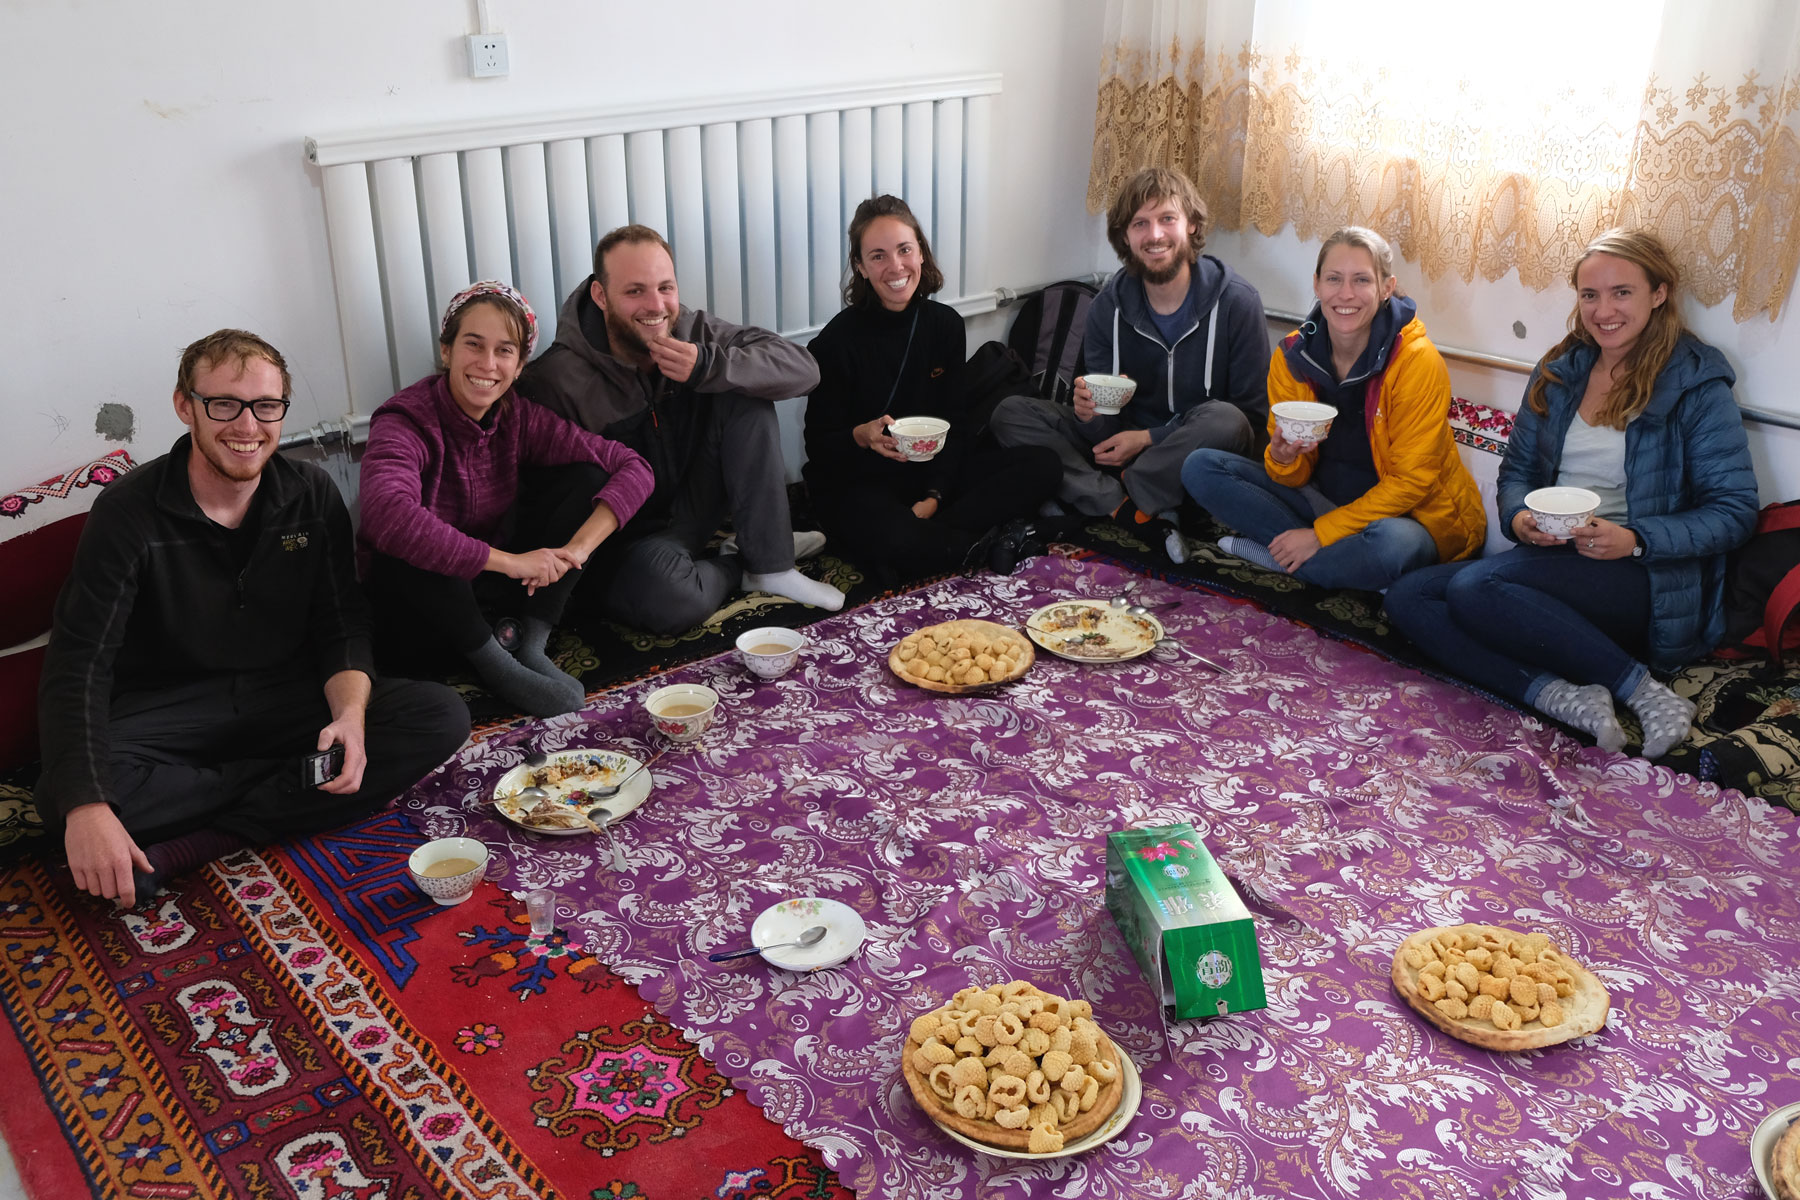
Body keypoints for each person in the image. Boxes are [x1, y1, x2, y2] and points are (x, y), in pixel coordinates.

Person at [36, 330, 471, 910]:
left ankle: (194, 844)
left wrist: (348, 716)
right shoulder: (126, 514)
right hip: (173, 713)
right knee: (63, 795)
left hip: (282, 700)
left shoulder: (311, 494)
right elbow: (79, 667)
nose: (247, 426)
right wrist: (88, 808)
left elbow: (342, 625)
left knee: (438, 716)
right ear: (184, 405)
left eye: (266, 407)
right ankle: (289, 789)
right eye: (224, 405)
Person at [1385, 229, 1758, 758]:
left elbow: (1735, 512)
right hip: (1555, 557)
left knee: (1474, 589)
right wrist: (1517, 518)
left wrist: (1634, 539)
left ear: (1659, 293)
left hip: (1643, 575)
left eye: (1621, 292)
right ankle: (1561, 695)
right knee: (1409, 597)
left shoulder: (1697, 383)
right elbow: (1516, 472)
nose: (1603, 310)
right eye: (1590, 295)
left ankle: (1646, 693)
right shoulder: (1562, 369)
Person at [521, 225, 844, 633]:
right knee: (672, 599)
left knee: (745, 390)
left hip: (692, 510)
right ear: (600, 296)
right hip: (626, 542)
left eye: (665, 288)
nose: (656, 306)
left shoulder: (690, 329)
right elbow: (543, 509)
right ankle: (744, 560)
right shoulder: (556, 380)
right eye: (634, 291)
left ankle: (771, 564)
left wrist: (709, 366)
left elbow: (804, 369)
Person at [358, 282, 654, 717]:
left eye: (504, 351)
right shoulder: (405, 419)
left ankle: (529, 644)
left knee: (586, 477)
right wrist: (514, 563)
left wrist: (575, 552)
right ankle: (494, 664)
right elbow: (386, 515)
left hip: (491, 593)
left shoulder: (519, 417)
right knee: (413, 540)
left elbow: (634, 468)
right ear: (446, 351)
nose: (487, 364)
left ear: (518, 367)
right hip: (417, 613)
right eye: (473, 345)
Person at [987, 165, 1269, 561]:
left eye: (1167, 219)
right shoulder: (1107, 307)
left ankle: (1100, 496)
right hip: (1122, 447)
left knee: (1227, 419)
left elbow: (1251, 423)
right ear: (1125, 236)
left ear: (1191, 225)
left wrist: (1152, 439)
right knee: (1011, 412)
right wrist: (1090, 415)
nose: (1154, 235)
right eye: (1140, 224)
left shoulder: (1238, 302)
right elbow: (1106, 425)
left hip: (1190, 451)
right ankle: (1128, 508)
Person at [1180, 226, 1485, 590]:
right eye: (1334, 279)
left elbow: (1411, 484)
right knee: (1201, 467)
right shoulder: (1293, 356)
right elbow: (1293, 476)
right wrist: (1281, 457)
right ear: (1317, 284)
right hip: (1323, 501)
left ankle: (1282, 558)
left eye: (1361, 280)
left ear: (1386, 288)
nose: (1346, 294)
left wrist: (1321, 535)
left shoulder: (1417, 361)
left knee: (1392, 546)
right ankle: (1338, 568)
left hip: (1406, 519)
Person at [803, 195, 1061, 585]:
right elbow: (818, 448)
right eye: (877, 256)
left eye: (905, 249)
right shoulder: (836, 342)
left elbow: (955, 420)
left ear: (921, 253)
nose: (895, 266)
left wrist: (935, 496)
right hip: (862, 481)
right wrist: (860, 435)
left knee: (1044, 465)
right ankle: (992, 540)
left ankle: (935, 543)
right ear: (860, 266)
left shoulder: (944, 325)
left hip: (931, 476)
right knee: (893, 535)